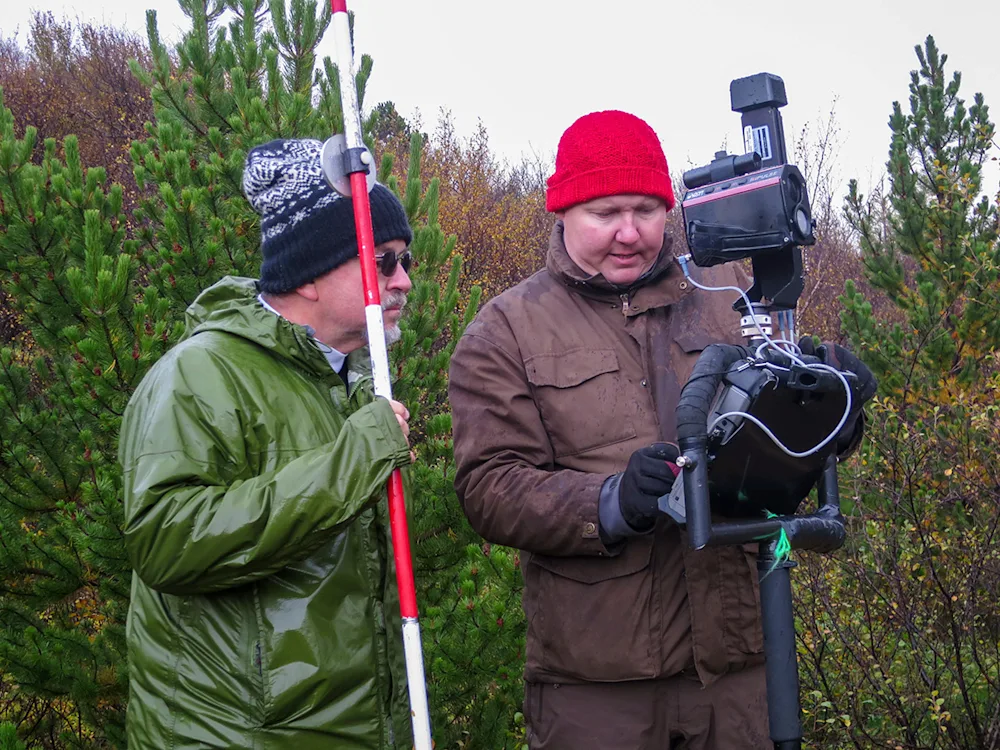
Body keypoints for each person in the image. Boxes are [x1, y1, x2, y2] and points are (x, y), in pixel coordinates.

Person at [448, 111, 874, 749]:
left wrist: (831, 407)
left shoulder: (731, 296)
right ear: (561, 210)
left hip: (736, 672)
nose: (629, 233)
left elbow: (777, 436)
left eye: (646, 210)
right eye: (606, 212)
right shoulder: (505, 330)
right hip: (597, 686)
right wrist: (610, 502)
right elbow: (490, 485)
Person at [119, 138, 417, 750]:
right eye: (383, 261)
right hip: (234, 735)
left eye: (404, 260)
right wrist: (354, 459)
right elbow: (164, 540)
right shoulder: (199, 374)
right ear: (310, 273)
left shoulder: (351, 386)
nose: (404, 281)